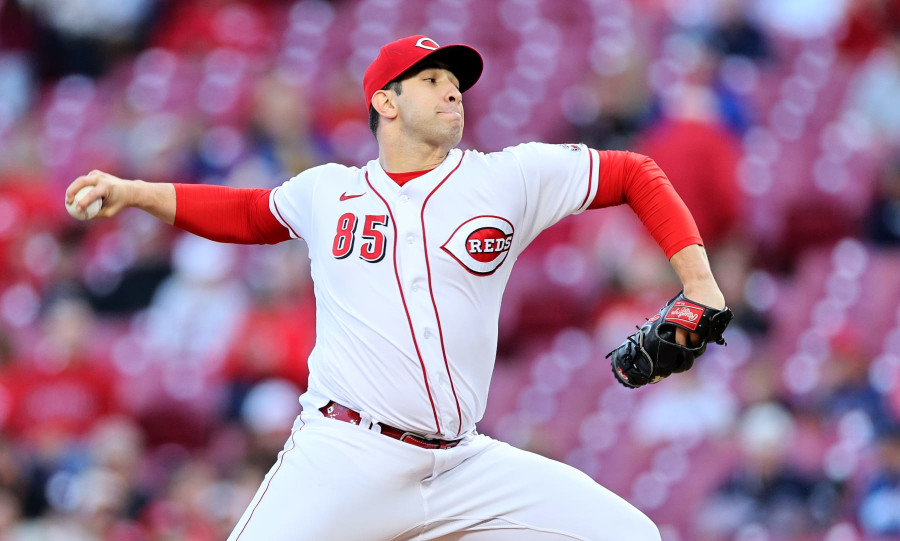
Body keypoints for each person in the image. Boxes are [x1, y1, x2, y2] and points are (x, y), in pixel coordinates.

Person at [66, 35, 726, 541]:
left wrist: (699, 283)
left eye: (456, 83)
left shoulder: (507, 178)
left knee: (630, 534)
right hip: (347, 452)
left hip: (464, 463)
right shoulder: (329, 190)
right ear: (385, 100)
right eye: (432, 80)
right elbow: (246, 213)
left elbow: (636, 173)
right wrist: (136, 192)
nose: (452, 93)